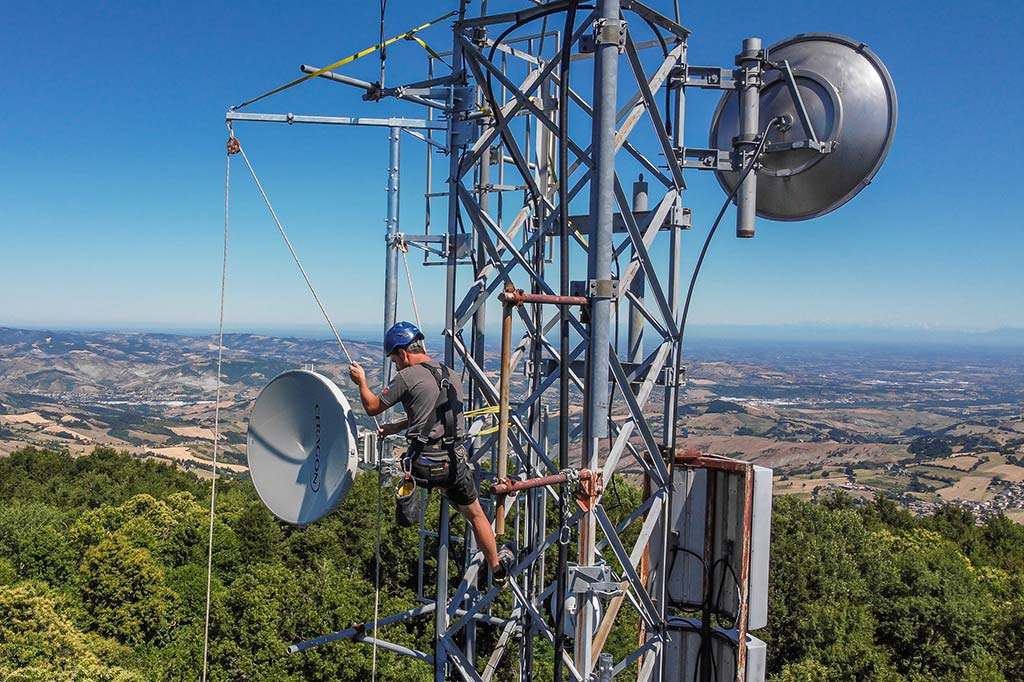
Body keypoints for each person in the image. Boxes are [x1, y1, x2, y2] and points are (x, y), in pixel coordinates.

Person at [348, 321, 510, 584]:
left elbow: (372, 407)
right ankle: (497, 569)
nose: (397, 365)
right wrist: (397, 426)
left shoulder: (406, 377)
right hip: (453, 463)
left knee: (420, 483)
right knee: (477, 514)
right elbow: (436, 417)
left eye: (395, 359)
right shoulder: (450, 374)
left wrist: (361, 381)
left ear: (402, 353)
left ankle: (413, 507)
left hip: (423, 466)